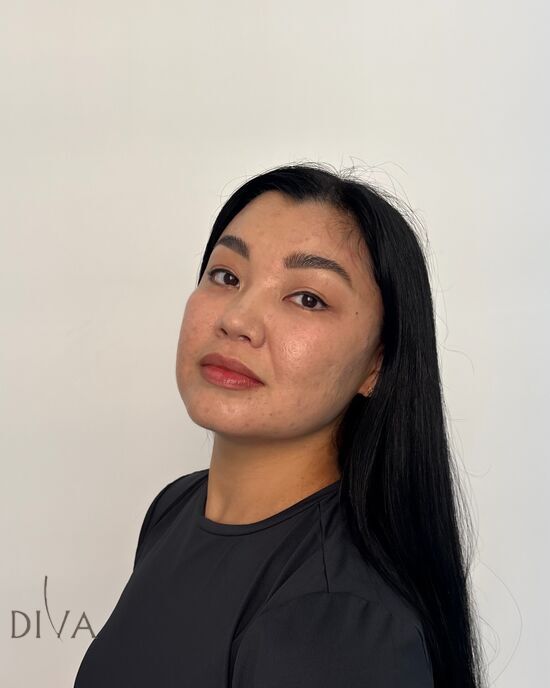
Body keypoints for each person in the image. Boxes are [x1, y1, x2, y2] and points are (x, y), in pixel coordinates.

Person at [73, 162, 487, 687]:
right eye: (226, 276)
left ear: (376, 365)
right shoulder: (174, 509)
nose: (237, 319)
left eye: (307, 298)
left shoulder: (337, 626)